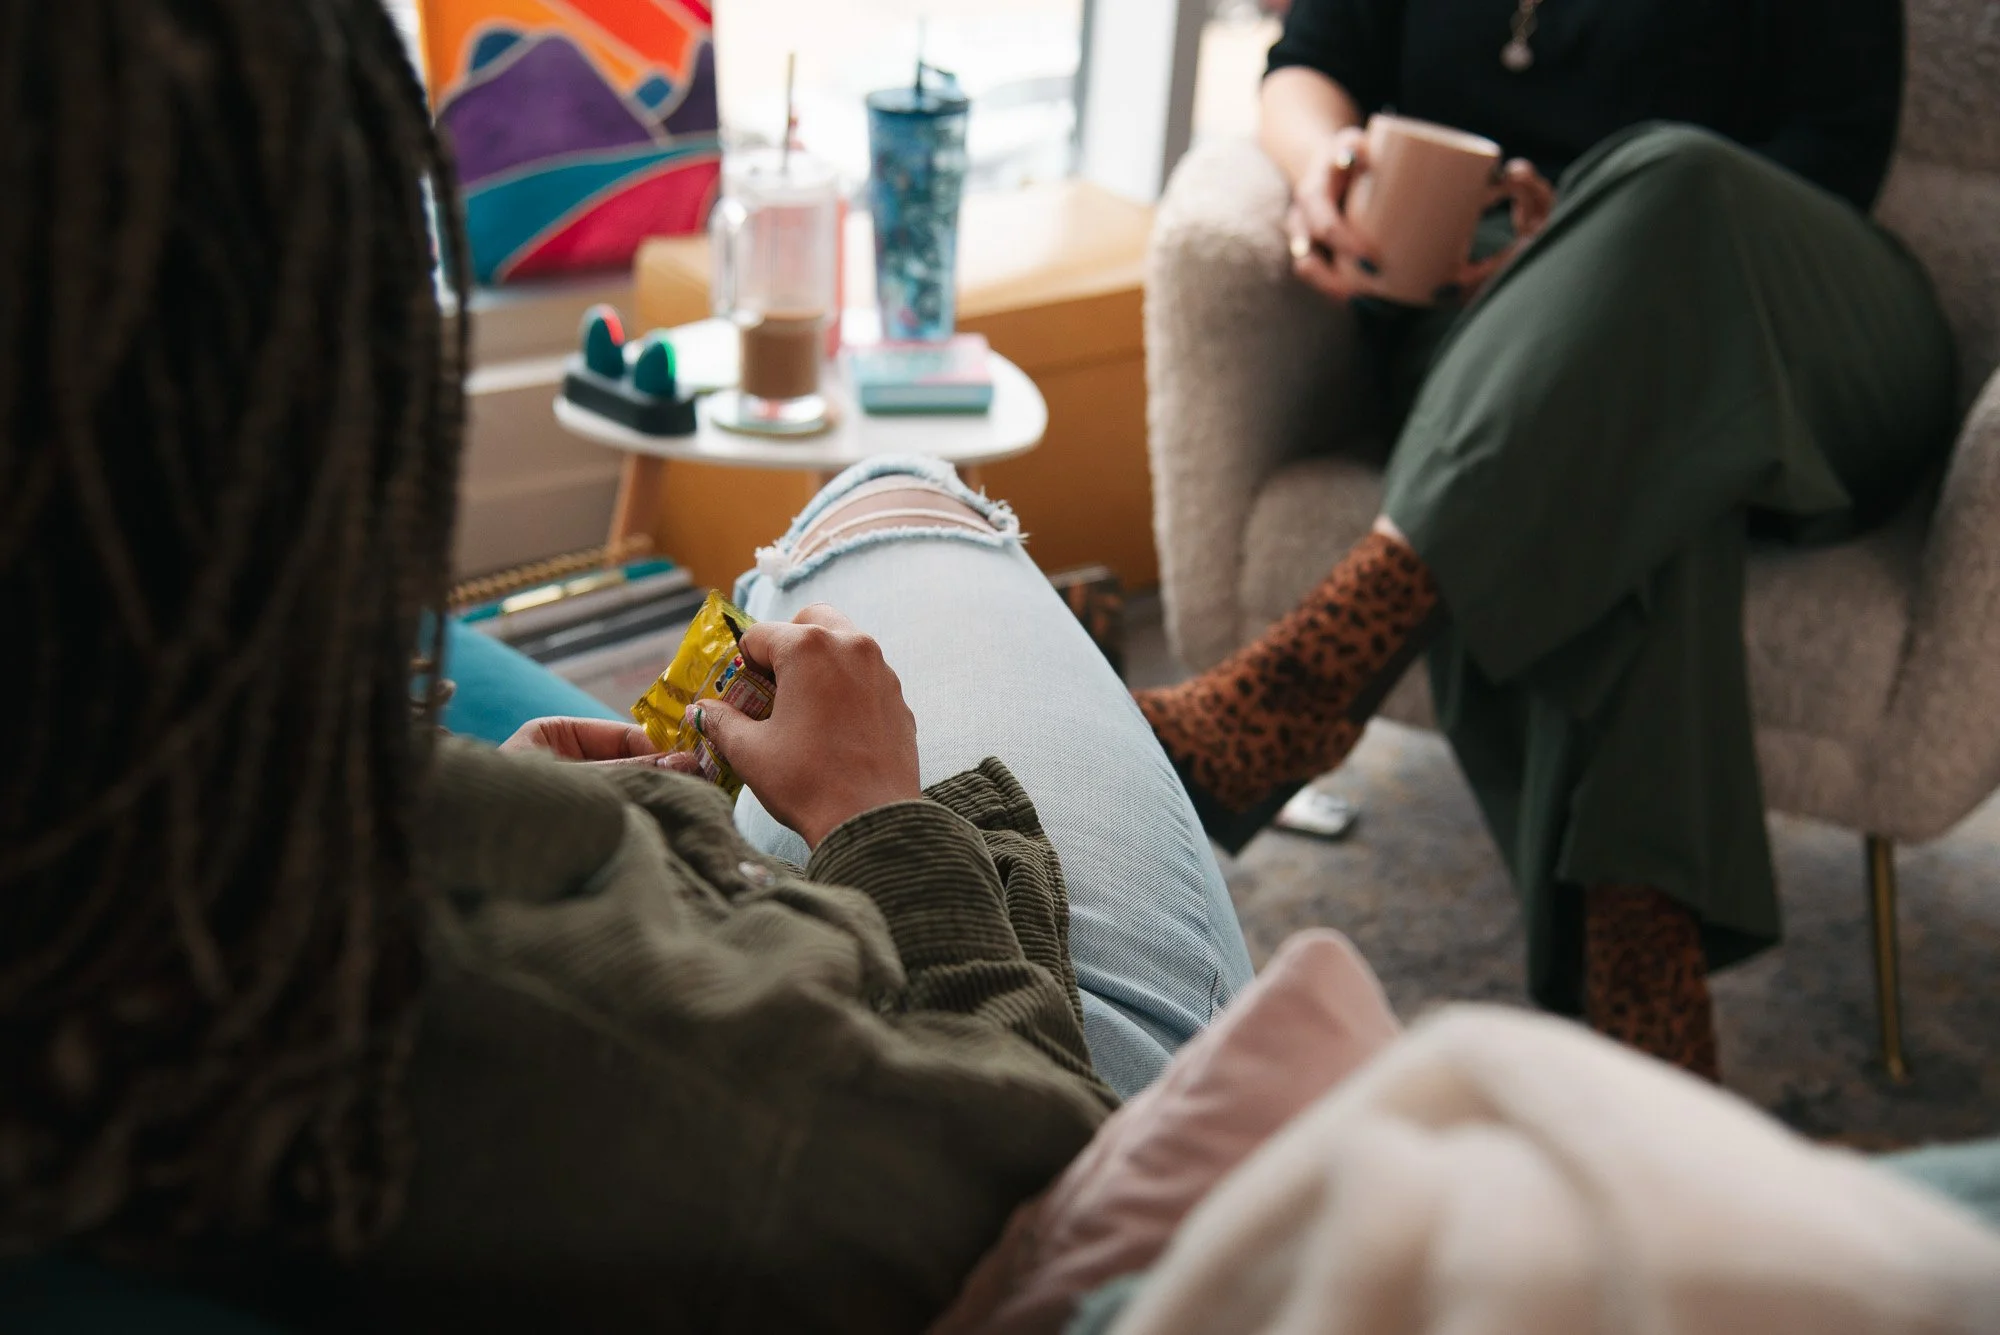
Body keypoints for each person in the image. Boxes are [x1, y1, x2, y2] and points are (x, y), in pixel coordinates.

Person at [0, 3, 1251, 1330]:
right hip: (1030, 1109)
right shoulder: (576, 1036)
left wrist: (588, 823)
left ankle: (1176, 737)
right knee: (895, 495)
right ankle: (1196, 740)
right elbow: (1050, 1186)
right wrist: (885, 817)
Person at [1134, 0, 1959, 1077]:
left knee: (1672, 187)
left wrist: (1582, 234)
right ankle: (1639, 983)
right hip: (1490, 335)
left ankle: (1313, 669)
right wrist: (1327, 166)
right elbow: (1308, 65)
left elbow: (1832, 150)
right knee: (1640, 475)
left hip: (1793, 328)